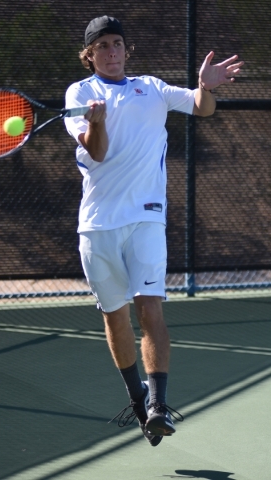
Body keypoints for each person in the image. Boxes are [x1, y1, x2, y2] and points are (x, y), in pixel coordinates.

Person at [64, 15, 244, 447]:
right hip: (97, 224)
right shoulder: (81, 93)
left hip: (146, 216)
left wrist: (207, 87)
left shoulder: (154, 88)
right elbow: (99, 152)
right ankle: (138, 398)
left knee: (150, 307)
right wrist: (98, 121)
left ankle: (160, 405)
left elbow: (202, 108)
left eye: (117, 43)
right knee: (114, 316)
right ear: (90, 55)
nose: (111, 51)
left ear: (127, 50)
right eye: (103, 45)